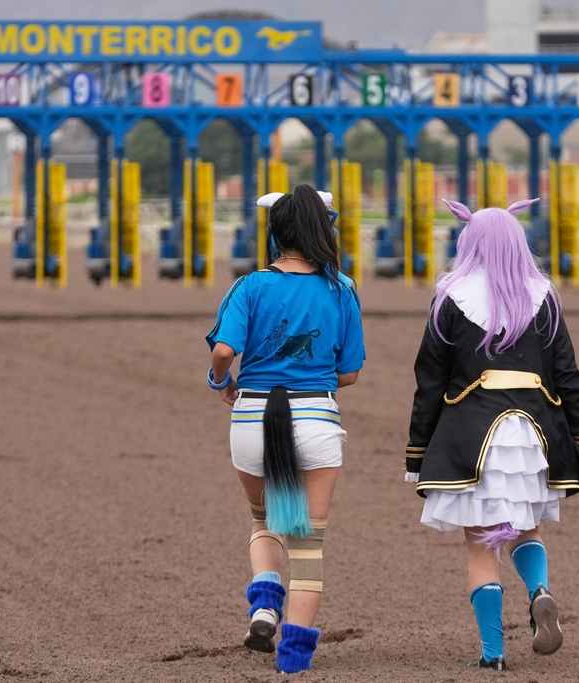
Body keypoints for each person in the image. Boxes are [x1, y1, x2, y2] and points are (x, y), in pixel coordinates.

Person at [403, 198, 579, 671]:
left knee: (481, 544)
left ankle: (493, 654)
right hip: (535, 437)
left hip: (471, 438)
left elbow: (429, 381)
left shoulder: (450, 296)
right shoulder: (543, 295)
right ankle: (539, 589)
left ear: (468, 241)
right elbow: (567, 373)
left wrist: (417, 451)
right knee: (526, 529)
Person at [206, 184, 365, 674]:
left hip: (252, 420)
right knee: (308, 546)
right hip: (316, 421)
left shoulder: (249, 286)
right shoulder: (342, 288)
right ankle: (293, 660)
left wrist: (220, 381)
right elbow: (349, 374)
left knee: (263, 520)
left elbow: (223, 352)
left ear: (275, 232)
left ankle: (264, 600)